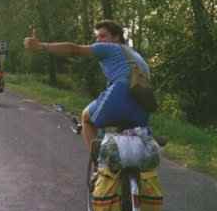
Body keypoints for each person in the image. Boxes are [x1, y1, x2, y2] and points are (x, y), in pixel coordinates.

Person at [24, 20, 151, 152]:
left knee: (86, 118)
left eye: (103, 36)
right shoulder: (136, 57)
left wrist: (41, 46)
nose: (98, 40)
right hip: (143, 105)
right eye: (97, 37)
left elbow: (74, 49)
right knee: (127, 137)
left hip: (121, 94)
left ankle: (98, 163)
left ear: (116, 37)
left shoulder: (109, 48)